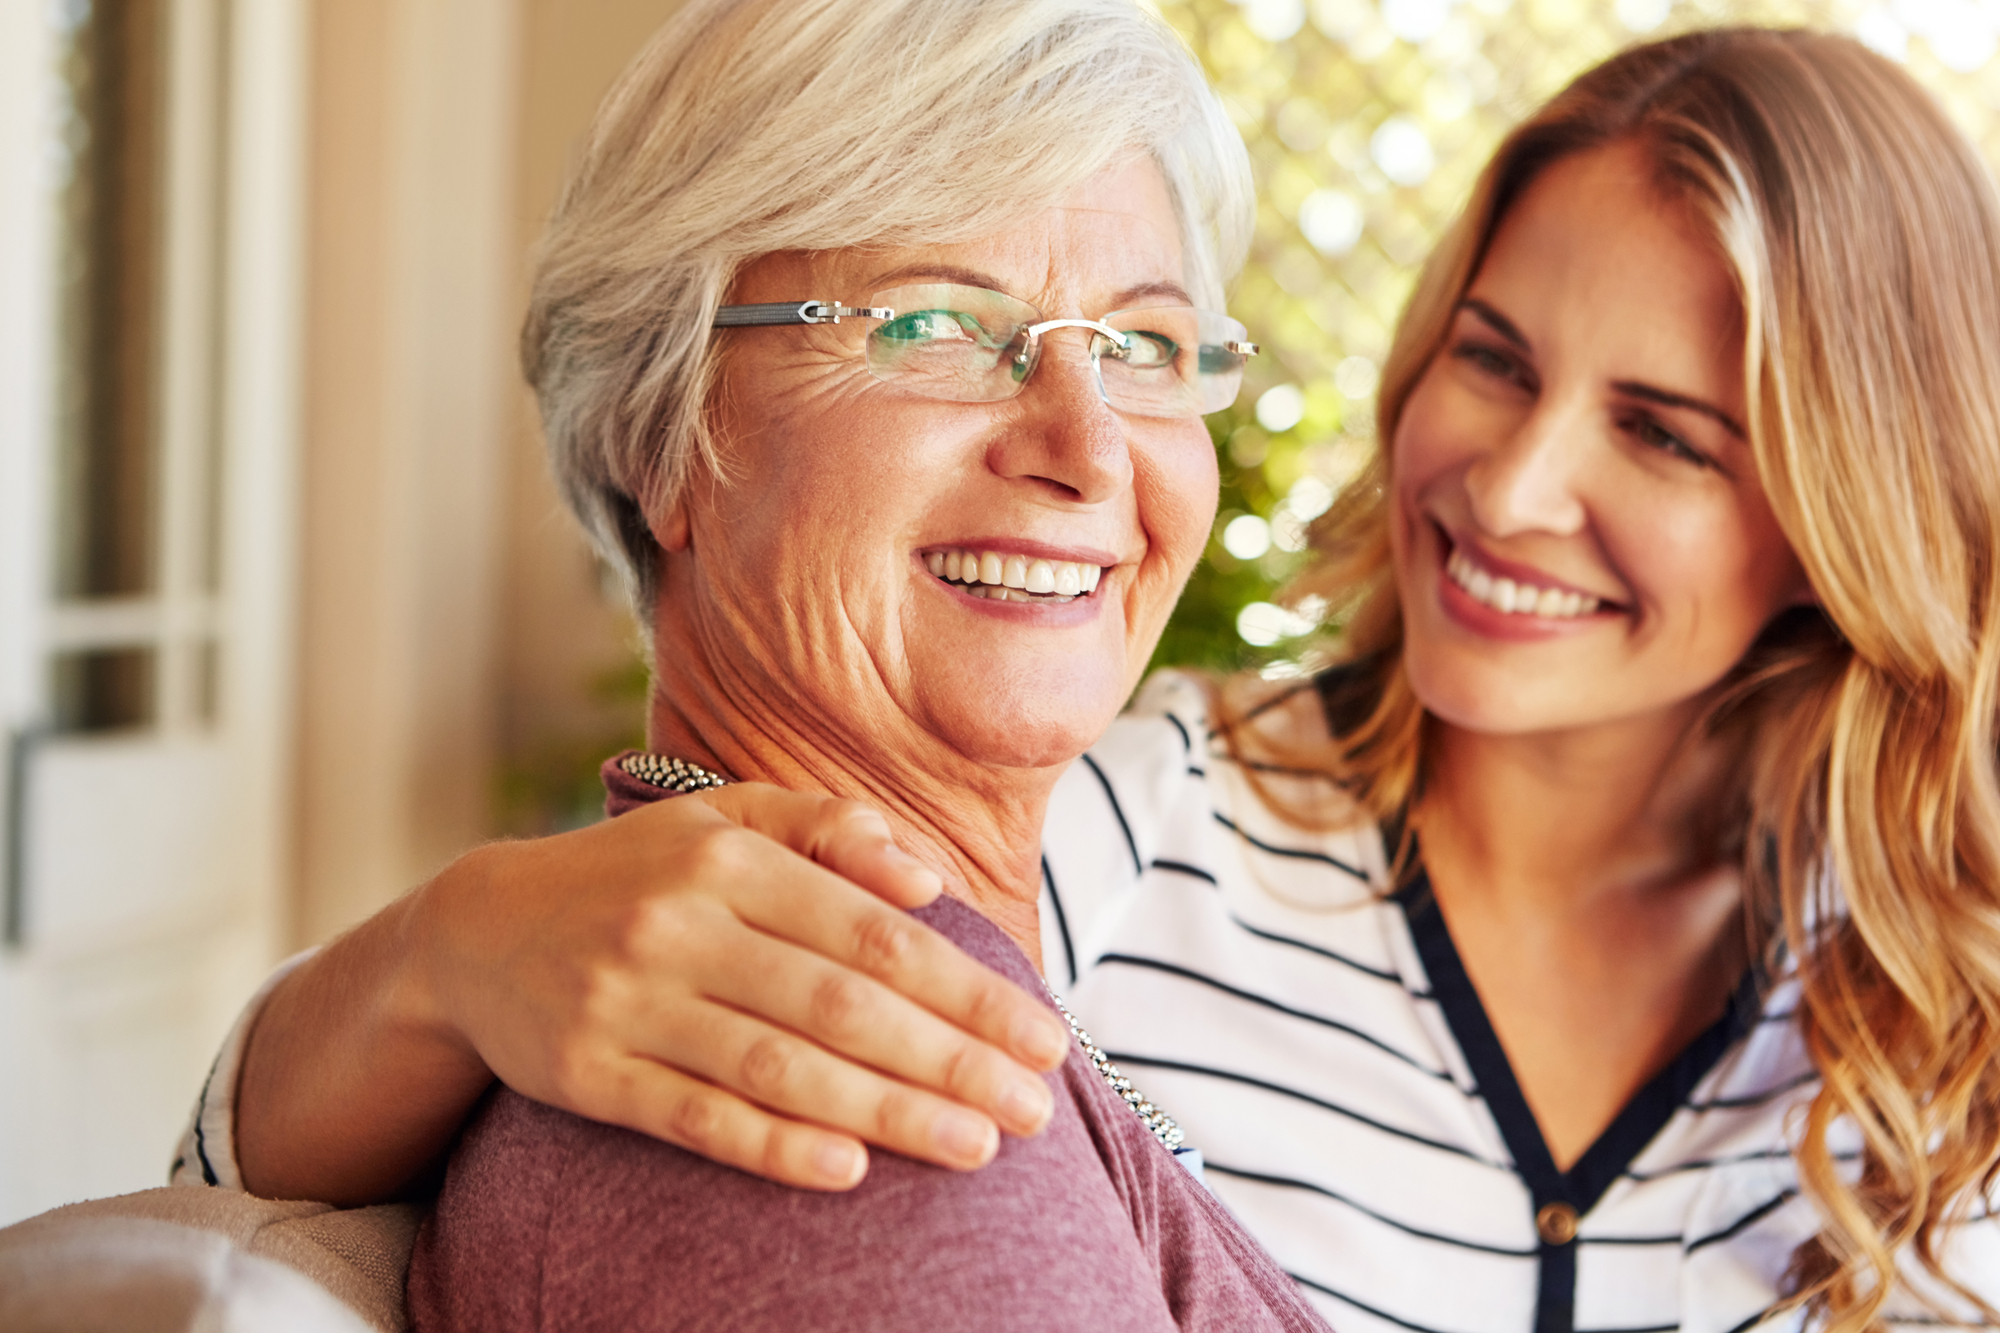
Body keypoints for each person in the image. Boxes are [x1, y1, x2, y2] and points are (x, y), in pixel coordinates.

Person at [181, 20, 2000, 1333]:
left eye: (1670, 434)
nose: (1515, 488)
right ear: (664, 433)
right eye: (933, 323)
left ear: (1849, 518)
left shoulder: (1940, 984)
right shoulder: (1065, 854)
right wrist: (438, 959)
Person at [195, 0, 1331, 1329]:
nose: (1087, 450)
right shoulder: (851, 1096)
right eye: (935, 326)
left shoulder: (915, 960)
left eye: (1142, 345)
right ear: (664, 436)